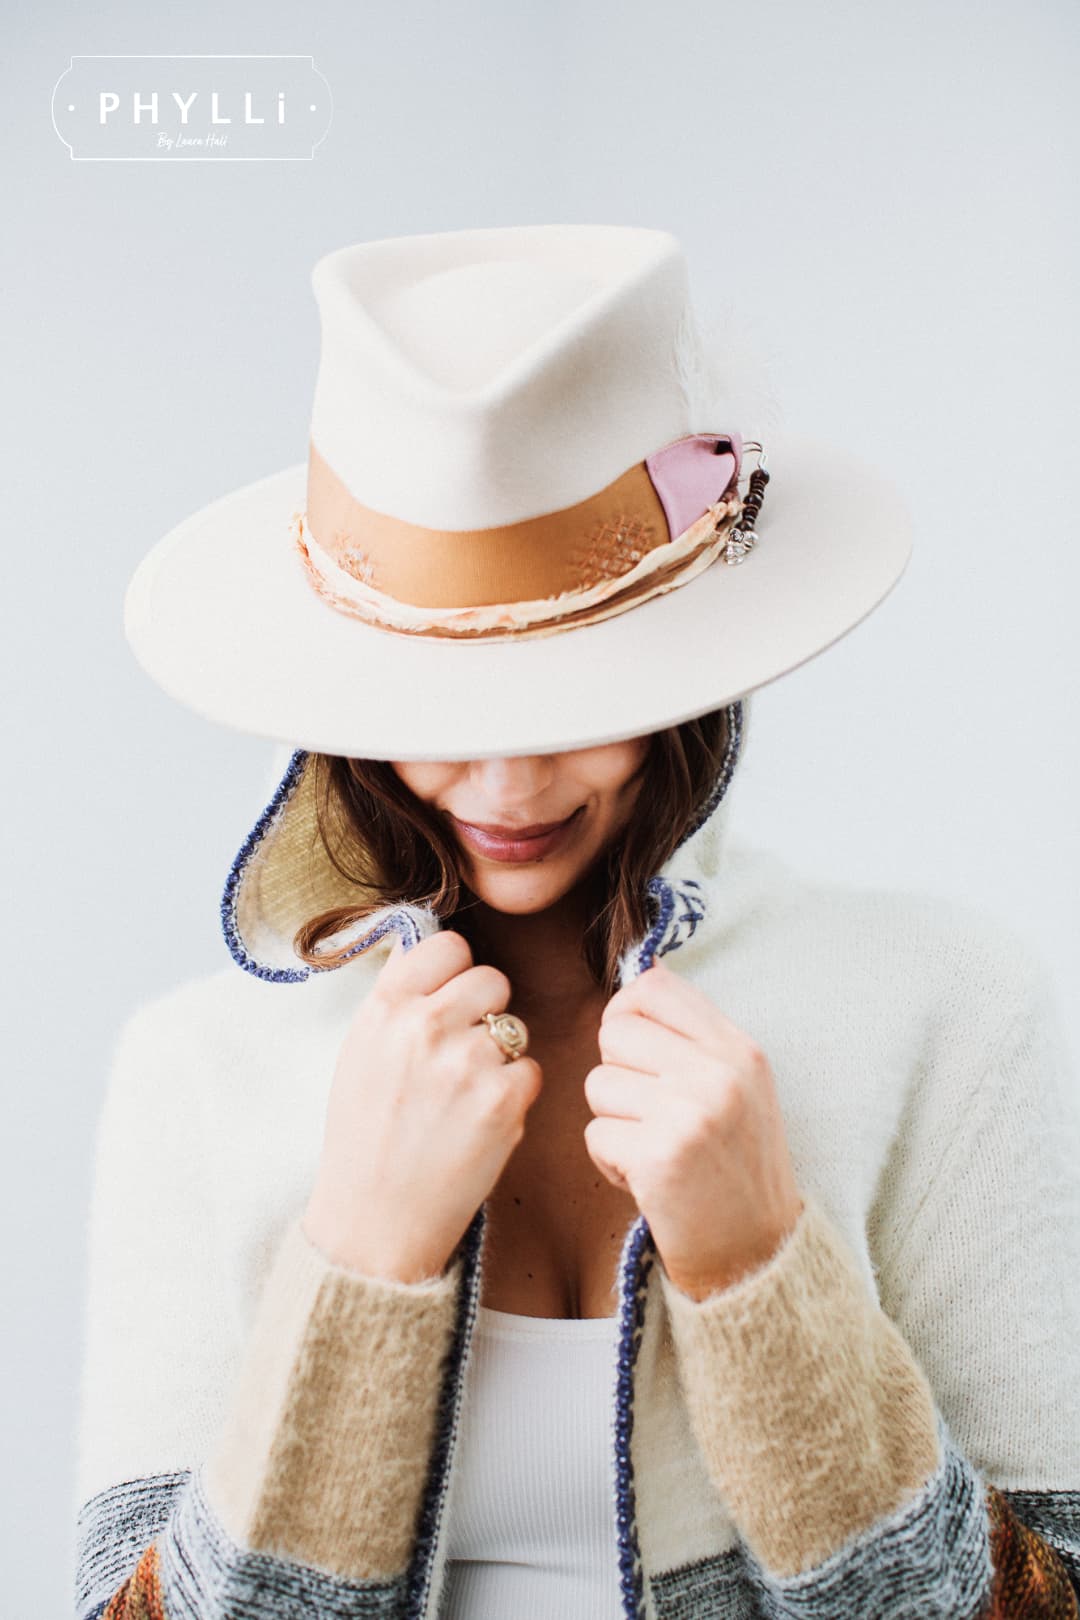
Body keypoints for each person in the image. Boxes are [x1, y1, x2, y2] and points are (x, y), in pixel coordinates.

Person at [74, 224, 1080, 1620]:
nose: (507, 782)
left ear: (694, 665)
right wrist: (358, 1259)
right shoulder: (192, 1069)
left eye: (579, 699)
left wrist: (761, 1271)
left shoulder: (950, 1004)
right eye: (438, 706)